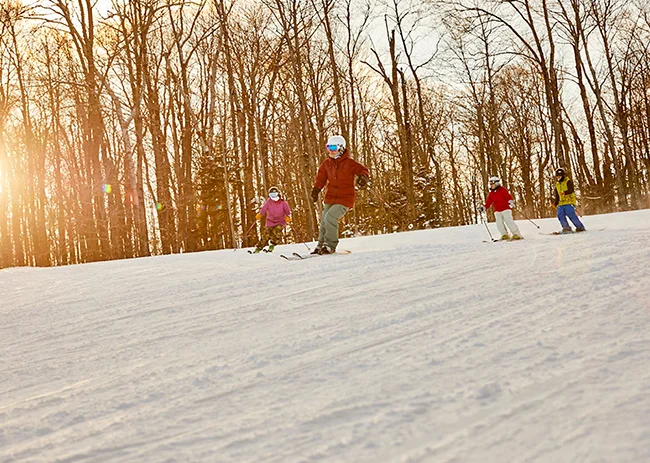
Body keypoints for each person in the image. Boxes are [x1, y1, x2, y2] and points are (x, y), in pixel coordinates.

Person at [311, 135, 369, 254]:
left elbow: (363, 170)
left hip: (345, 198)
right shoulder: (326, 164)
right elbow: (321, 178)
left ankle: (330, 245)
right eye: (328, 147)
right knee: (324, 221)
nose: (330, 150)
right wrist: (316, 189)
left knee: (330, 217)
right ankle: (320, 245)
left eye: (333, 147)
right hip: (330, 197)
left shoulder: (349, 163)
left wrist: (363, 178)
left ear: (341, 148)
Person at [479, 176, 523, 240]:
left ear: (497, 183)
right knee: (499, 223)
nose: (491, 185)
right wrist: (484, 207)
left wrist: (510, 201)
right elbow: (488, 202)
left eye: (493, 184)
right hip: (497, 210)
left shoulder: (502, 190)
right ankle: (504, 234)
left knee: (509, 221)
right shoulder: (491, 193)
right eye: (490, 184)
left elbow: (508, 196)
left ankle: (517, 234)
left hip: (506, 209)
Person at [253, 186, 291, 253]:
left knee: (277, 232)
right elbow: (264, 209)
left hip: (280, 221)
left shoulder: (283, 203)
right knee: (266, 234)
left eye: (275, 194)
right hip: (270, 221)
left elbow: (287, 211)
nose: (273, 196)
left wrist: (288, 216)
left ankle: (272, 245)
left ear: (278, 194)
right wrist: (260, 214)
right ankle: (258, 248)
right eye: (271, 195)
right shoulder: (269, 202)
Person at [552, 168, 586, 233]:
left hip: (569, 202)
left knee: (571, 215)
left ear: (563, 176)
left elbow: (571, 190)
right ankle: (566, 228)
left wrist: (565, 192)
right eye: (557, 176)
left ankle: (580, 227)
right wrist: (556, 203)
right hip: (561, 203)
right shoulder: (557, 185)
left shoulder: (568, 181)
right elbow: (557, 195)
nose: (558, 178)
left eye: (560, 176)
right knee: (560, 215)